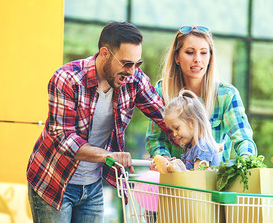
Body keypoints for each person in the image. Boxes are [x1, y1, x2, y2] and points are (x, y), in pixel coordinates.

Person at [26, 21, 175, 223]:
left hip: (93, 185)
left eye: (137, 63)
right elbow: (64, 139)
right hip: (54, 181)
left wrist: (194, 141)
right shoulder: (67, 79)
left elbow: (164, 115)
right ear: (104, 53)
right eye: (127, 63)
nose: (132, 71)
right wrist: (109, 156)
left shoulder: (133, 78)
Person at [146, 25, 257, 164]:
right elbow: (155, 139)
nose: (198, 59)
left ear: (210, 58)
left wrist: (245, 162)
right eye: (190, 52)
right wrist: (166, 161)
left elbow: (243, 138)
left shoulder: (227, 95)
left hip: (214, 182)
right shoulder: (163, 91)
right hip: (173, 182)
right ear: (176, 57)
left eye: (203, 53)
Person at [162, 89, 220, 170]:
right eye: (172, 130)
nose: (174, 134)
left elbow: (196, 178)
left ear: (192, 122)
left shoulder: (203, 147)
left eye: (176, 128)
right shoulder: (189, 147)